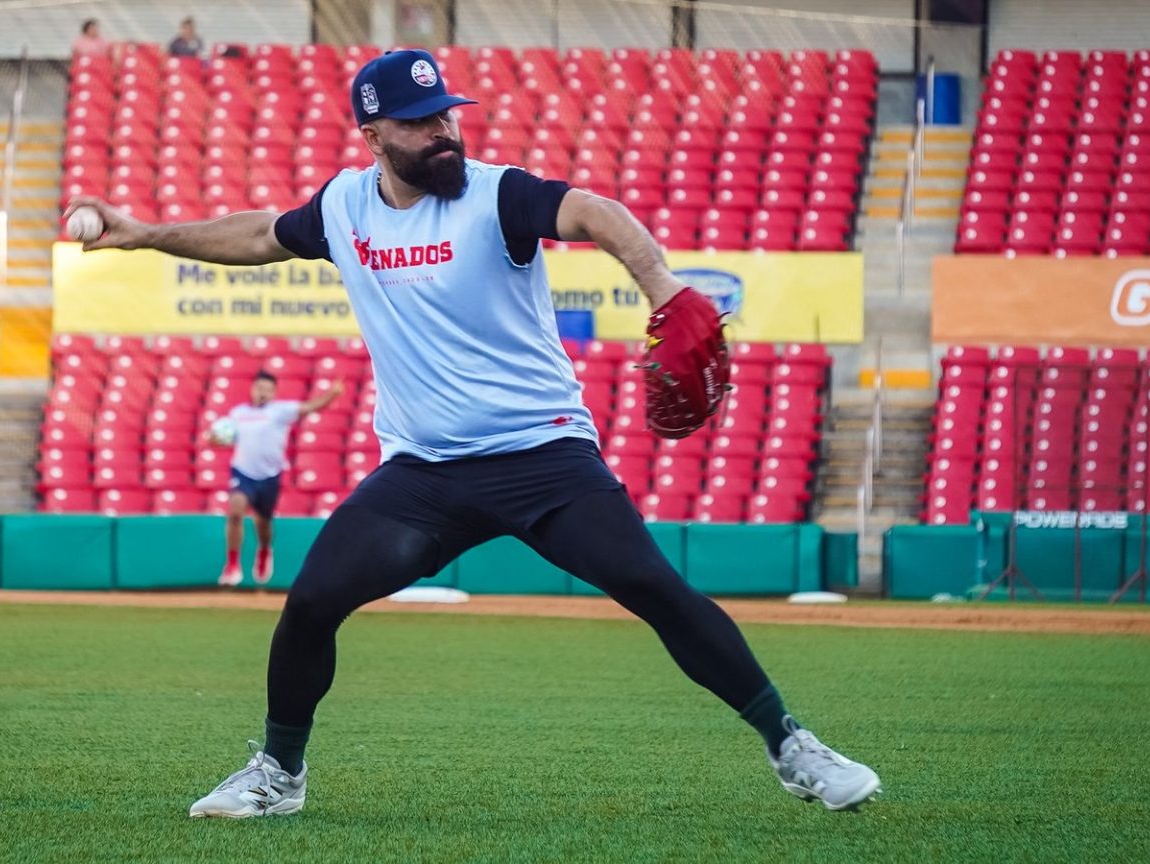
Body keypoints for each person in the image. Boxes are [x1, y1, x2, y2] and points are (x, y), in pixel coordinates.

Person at [64, 48, 881, 819]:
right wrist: (140, 233)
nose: (443, 130)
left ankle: (794, 747)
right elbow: (256, 236)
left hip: (544, 459)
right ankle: (280, 774)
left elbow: (594, 211)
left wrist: (661, 284)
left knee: (657, 592)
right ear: (374, 135)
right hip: (426, 476)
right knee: (310, 603)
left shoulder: (499, 195)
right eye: (419, 121)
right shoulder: (346, 207)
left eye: (447, 114)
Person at [219, 371, 345, 587]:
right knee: (235, 512)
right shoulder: (238, 413)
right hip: (242, 472)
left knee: (263, 522)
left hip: (269, 476)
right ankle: (232, 565)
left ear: (274, 392)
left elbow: (311, 408)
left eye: (267, 389)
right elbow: (222, 437)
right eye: (259, 388)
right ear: (252, 389)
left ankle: (265, 550)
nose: (263, 393)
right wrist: (215, 439)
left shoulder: (280, 411)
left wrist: (332, 394)